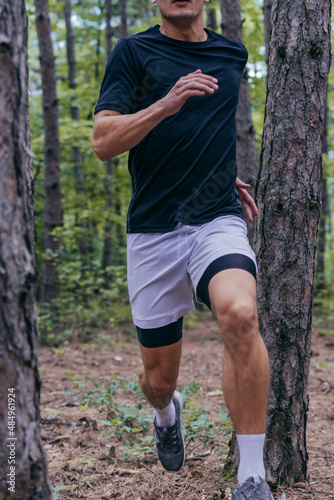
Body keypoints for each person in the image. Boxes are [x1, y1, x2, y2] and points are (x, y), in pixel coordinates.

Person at [92, 1, 285, 498]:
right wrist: (164, 103)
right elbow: (103, 142)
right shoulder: (133, 53)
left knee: (241, 314)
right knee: (158, 379)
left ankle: (251, 477)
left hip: (215, 219)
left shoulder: (231, 53)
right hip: (153, 231)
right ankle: (165, 411)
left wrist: (222, 177)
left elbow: (210, 135)